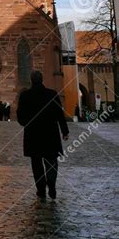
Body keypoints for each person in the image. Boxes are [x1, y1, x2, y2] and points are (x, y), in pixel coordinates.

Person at [17, 70, 69, 202]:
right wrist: (65, 131)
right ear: (42, 80)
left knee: (36, 163)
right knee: (51, 160)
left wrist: (26, 123)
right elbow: (59, 114)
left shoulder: (25, 95)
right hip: (50, 134)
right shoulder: (52, 94)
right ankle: (51, 182)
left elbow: (20, 116)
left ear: (31, 80)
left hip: (33, 135)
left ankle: (41, 190)